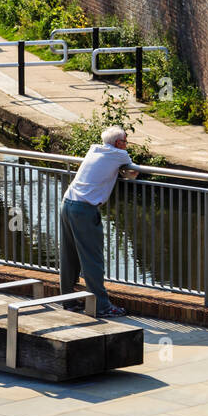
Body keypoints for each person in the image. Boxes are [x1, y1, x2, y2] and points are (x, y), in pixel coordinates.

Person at [60, 125, 139, 319]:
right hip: (85, 209)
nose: (127, 145)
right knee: (92, 259)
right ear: (119, 143)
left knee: (69, 256)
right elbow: (134, 172)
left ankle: (68, 302)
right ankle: (101, 306)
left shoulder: (94, 148)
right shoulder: (120, 155)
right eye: (126, 141)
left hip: (68, 202)